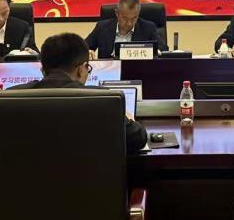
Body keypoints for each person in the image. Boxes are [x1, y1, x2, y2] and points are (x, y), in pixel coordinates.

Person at [10, 33, 147, 153]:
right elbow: (137, 139)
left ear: (43, 71)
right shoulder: (103, 99)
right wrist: (128, 118)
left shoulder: (10, 97)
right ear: (81, 70)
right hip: (89, 175)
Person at [85, 0, 163, 58]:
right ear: (117, 13)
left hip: (138, 69)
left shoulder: (148, 27)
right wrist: (87, 52)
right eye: (125, 18)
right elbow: (84, 48)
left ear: (138, 14)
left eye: (134, 18)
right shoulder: (102, 27)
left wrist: (153, 51)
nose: (129, 23)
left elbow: (163, 48)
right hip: (110, 70)